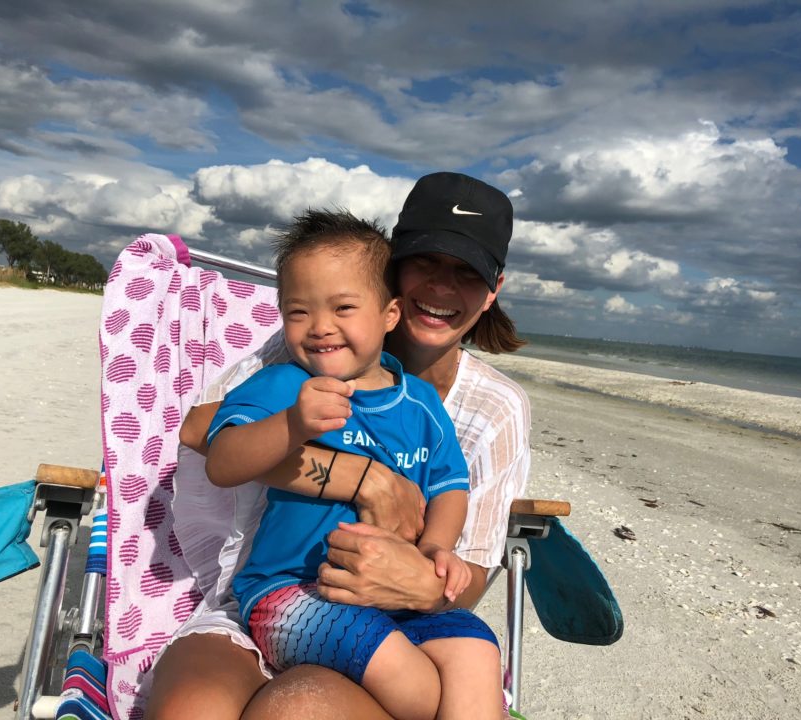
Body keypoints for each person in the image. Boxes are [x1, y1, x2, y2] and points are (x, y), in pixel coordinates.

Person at [147, 172, 531, 720]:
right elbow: (204, 433)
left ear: (493, 288)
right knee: (192, 708)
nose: (443, 287)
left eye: (467, 271)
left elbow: (458, 526)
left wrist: (427, 568)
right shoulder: (310, 355)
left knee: (463, 654)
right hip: (274, 596)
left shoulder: (472, 407)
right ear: (393, 270)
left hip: (398, 611)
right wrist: (364, 476)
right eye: (427, 262)